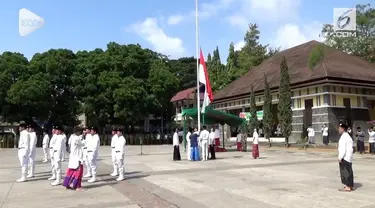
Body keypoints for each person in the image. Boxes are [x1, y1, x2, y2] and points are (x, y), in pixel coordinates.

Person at [337, 123, 354, 192]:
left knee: (345, 172)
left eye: (339, 128)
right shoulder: (348, 136)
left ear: (342, 129)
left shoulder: (344, 137)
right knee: (349, 171)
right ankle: (350, 185)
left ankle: (348, 186)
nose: (338, 129)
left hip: (345, 157)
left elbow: (343, 149)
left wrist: (340, 157)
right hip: (349, 157)